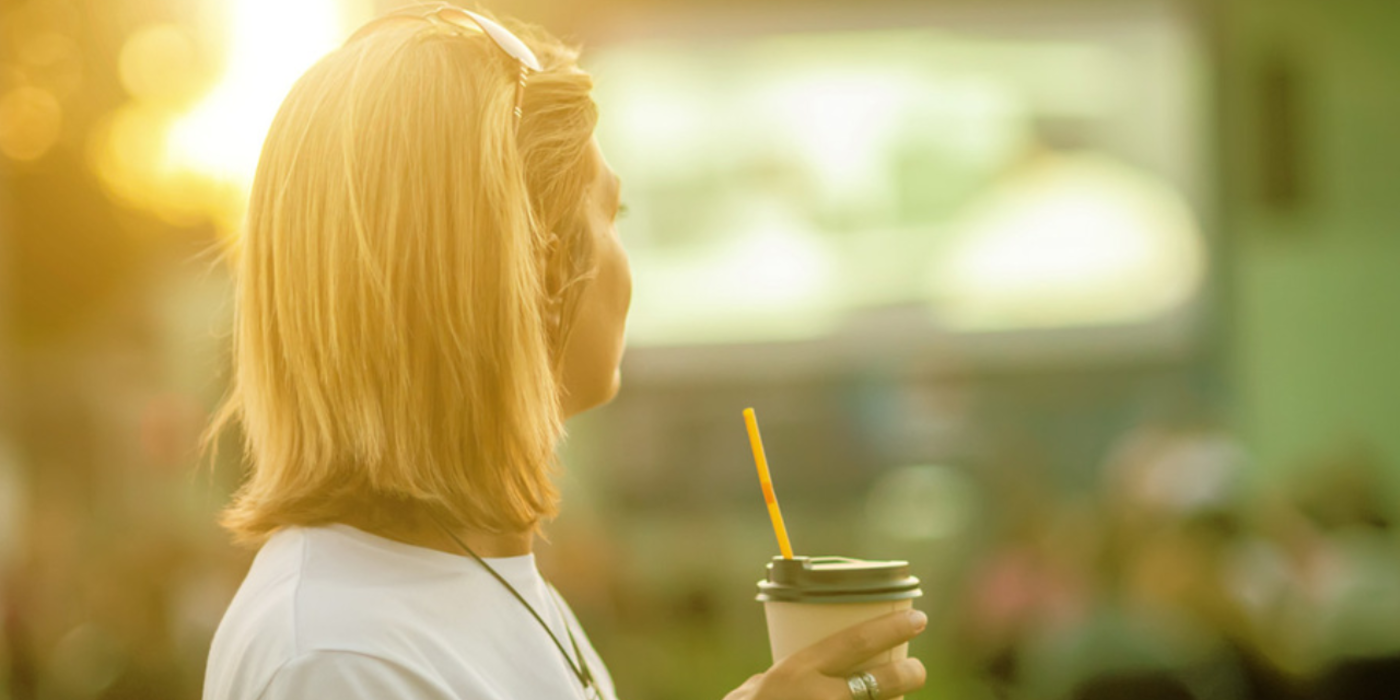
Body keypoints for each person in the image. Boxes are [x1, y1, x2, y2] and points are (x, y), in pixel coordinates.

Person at [201, 4, 928, 700]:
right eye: (612, 214)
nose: (625, 260)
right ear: (537, 268)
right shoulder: (339, 659)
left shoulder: (471, 574)